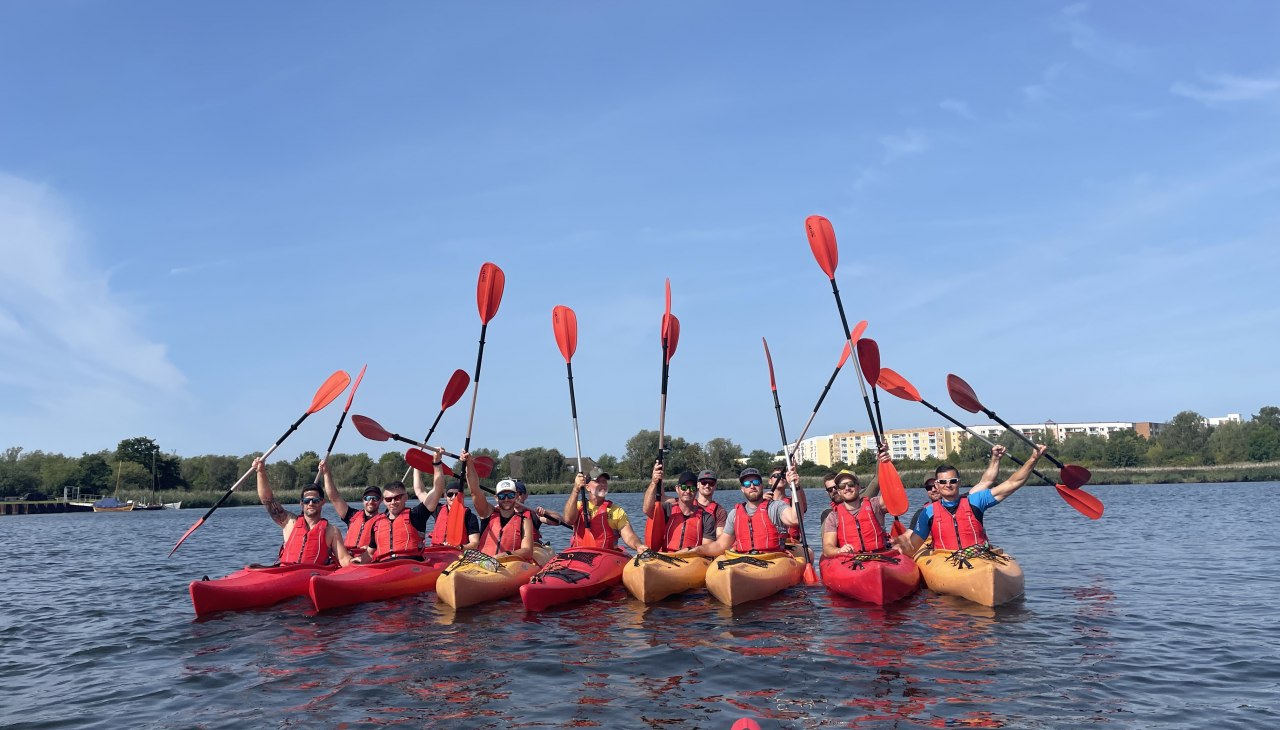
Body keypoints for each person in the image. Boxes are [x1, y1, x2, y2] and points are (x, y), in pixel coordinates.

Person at [902, 445, 1048, 555]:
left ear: (959, 482)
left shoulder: (975, 501)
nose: (948, 485)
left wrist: (1033, 459)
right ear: (937, 485)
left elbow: (1012, 483)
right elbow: (913, 547)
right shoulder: (927, 512)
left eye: (952, 481)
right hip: (945, 561)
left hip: (978, 557)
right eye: (943, 482)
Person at [254, 457, 354, 567]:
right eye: (307, 501)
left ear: (322, 502)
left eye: (315, 500)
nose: (311, 503)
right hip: (285, 572)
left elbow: (343, 559)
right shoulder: (290, 522)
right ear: (301, 503)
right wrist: (260, 471)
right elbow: (267, 500)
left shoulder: (332, 531)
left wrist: (359, 561)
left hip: (313, 574)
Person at [908, 445, 1007, 532]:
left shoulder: (968, 502)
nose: (933, 490)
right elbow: (908, 539)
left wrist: (995, 458)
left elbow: (986, 482)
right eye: (929, 487)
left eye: (945, 482)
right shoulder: (922, 513)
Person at [706, 467, 804, 555]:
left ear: (762, 486)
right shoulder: (734, 514)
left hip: (773, 558)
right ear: (742, 489)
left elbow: (795, 519)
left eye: (756, 482)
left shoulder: (776, 506)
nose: (752, 486)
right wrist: (698, 550)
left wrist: (795, 487)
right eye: (747, 484)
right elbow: (720, 545)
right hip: (745, 559)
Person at [821, 450, 899, 557]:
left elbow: (895, 496)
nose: (847, 488)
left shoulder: (875, 504)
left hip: (879, 558)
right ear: (839, 491)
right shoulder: (832, 516)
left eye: (851, 484)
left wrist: (886, 463)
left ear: (858, 487)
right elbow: (827, 548)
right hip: (851, 560)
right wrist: (839, 550)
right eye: (842, 486)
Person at [562, 471, 647, 552]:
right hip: (579, 556)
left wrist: (638, 545)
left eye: (604, 481)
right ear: (587, 487)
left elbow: (629, 536)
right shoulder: (578, 506)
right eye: (597, 481)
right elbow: (568, 520)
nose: (602, 484)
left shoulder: (617, 511)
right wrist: (576, 490)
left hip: (606, 557)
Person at [414, 448, 481, 550]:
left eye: (456, 494)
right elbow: (420, 491)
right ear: (445, 496)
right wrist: (416, 466)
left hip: (458, 554)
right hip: (438, 553)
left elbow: (475, 543)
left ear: (462, 496)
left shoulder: (469, 516)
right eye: (450, 494)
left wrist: (459, 547)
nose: (453, 497)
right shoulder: (437, 509)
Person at [642, 464, 716, 554]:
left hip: (692, 557)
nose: (688, 491)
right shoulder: (667, 509)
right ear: (677, 489)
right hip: (668, 556)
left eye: (692, 488)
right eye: (684, 488)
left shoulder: (706, 518)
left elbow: (707, 547)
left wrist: (690, 551)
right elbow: (647, 510)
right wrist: (654, 482)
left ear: (696, 491)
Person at [318, 459, 382, 553]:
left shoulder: (384, 521)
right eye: (368, 498)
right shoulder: (352, 515)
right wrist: (326, 474)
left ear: (381, 500)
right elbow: (334, 498)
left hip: (368, 557)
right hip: (349, 557)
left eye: (375, 498)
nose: (371, 501)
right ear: (363, 500)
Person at [468, 477, 535, 561]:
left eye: (510, 495)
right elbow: (474, 491)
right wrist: (469, 468)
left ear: (516, 496)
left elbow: (527, 551)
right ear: (496, 498)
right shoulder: (487, 513)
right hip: (483, 564)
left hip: (509, 564)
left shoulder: (525, 522)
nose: (506, 499)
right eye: (502, 496)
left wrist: (505, 555)